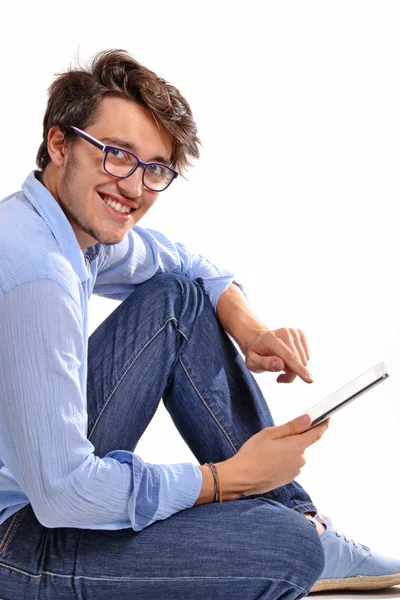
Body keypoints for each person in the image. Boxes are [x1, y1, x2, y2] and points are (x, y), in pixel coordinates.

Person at [0, 50, 398, 600]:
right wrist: (228, 479)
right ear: (59, 143)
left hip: (32, 486)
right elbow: (63, 495)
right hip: (16, 543)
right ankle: (300, 529)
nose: (135, 188)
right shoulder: (37, 275)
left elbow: (181, 264)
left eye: (155, 168)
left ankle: (300, 517)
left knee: (178, 301)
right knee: (289, 551)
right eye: (117, 155)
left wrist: (251, 330)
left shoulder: (64, 231)